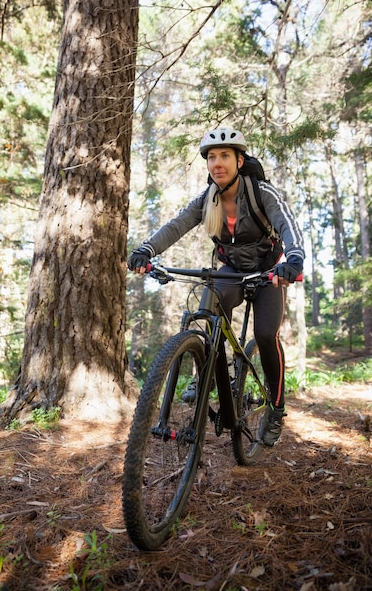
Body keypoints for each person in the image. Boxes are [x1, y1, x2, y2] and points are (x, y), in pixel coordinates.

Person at [127, 127, 305, 447]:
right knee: (208, 305)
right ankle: (204, 375)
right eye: (211, 157)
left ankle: (276, 410)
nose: (217, 163)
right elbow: (177, 225)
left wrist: (293, 259)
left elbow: (287, 224)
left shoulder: (261, 192)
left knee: (265, 334)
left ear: (240, 160)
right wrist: (146, 250)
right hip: (233, 271)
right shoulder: (207, 199)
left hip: (269, 274)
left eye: (224, 156)